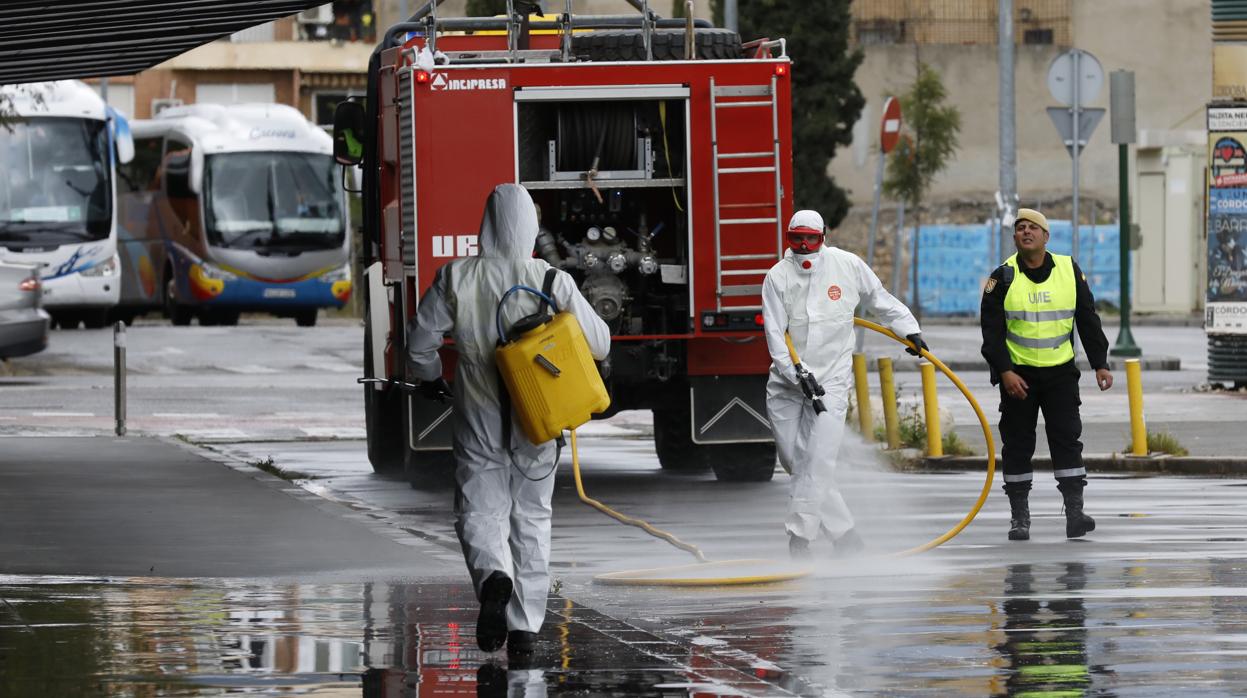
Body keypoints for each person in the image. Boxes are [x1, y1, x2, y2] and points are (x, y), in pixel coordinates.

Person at [406, 183, 610, 656]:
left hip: (478, 410)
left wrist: (433, 377)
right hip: (537, 416)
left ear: (486, 224)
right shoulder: (551, 279)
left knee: (479, 510)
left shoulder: (455, 276)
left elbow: (420, 343)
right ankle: (524, 628)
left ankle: (493, 577)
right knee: (532, 518)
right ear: (530, 227)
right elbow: (599, 343)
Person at [762, 209, 926, 559]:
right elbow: (776, 336)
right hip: (788, 384)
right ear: (788, 239)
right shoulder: (777, 277)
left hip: (832, 383)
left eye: (811, 239)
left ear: (825, 237)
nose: (804, 246)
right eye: (797, 239)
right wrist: (796, 374)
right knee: (794, 460)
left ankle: (800, 539)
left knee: (817, 460)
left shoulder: (847, 266)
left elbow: (879, 300)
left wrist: (908, 330)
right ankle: (846, 533)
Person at [980, 207, 1113, 541]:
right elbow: (991, 333)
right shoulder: (1003, 277)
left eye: (1033, 228)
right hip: (1018, 379)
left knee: (1067, 441)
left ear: (1045, 236)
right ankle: (1019, 519)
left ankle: (1075, 513)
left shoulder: (1068, 269)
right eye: (1020, 228)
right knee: (1017, 445)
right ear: (1015, 238)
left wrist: (1100, 363)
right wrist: (1005, 372)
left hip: (1060, 375)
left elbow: (1087, 318)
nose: (1026, 232)